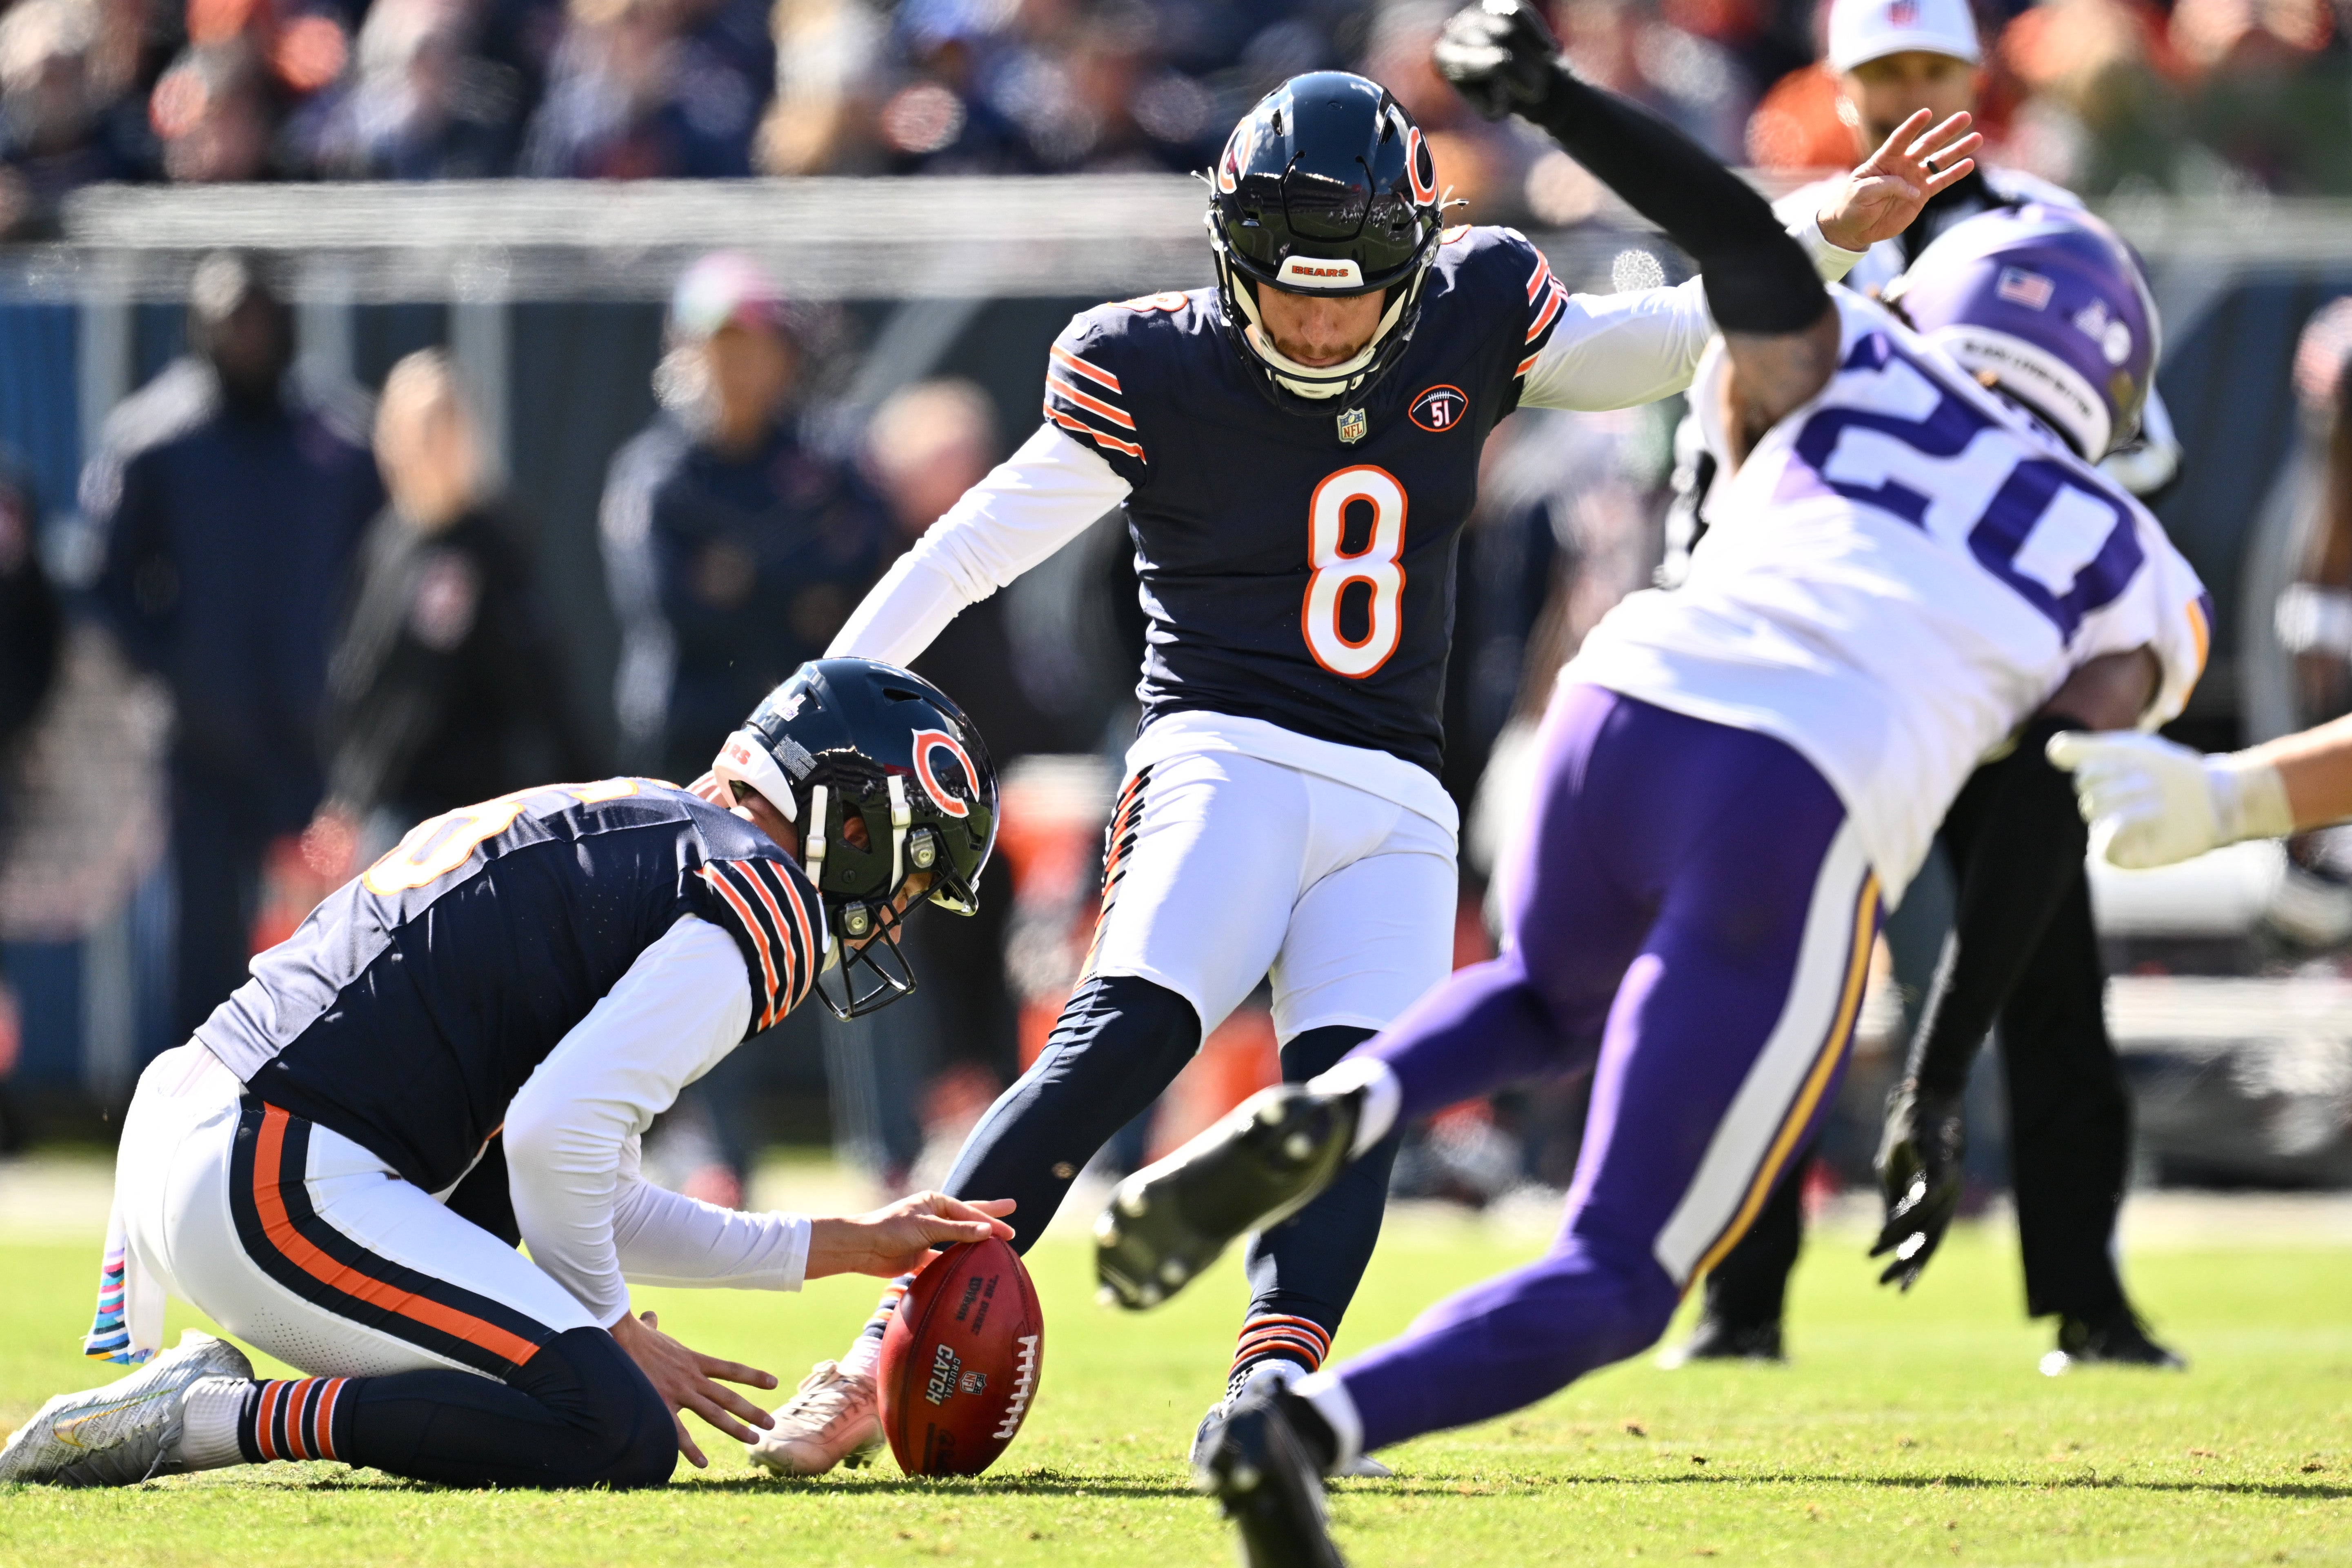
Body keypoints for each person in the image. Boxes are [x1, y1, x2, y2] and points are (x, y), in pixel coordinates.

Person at [745, 53, 1977, 1477]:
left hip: (1398, 791)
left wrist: (1822, 229)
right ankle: (867, 1358)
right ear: (1232, 260)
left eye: (1352, 285)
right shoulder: (1149, 364)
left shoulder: (1476, 309)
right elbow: (966, 548)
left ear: (1411, 259)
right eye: (1293, 285)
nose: (1323, 319)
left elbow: (1657, 336)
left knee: (1351, 1107)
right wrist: (807, 711)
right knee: (1126, 1037)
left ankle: (1271, 1386)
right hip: (1221, 750)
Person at [1090, 6, 2210, 1562]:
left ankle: (1339, 1101)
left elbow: (1734, 239)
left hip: (1616, 704)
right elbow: (2071, 755)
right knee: (1624, 1270)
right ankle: (1306, 1425)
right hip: (1792, 793)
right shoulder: (2130, 559)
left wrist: (1550, 96)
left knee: (1552, 995)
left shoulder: (1864, 346)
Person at [0, 658, 1015, 1491]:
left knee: (558, 1336)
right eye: (911, 870)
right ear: (849, 821)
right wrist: (610, 1329)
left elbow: (584, 1184)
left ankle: (212, 1404)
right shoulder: (761, 893)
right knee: (613, 1425)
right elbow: (550, 1137)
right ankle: (209, 1417)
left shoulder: (652, 828)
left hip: (223, 1130)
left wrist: (842, 1245)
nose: (894, 908)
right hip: (275, 1173)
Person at [1661, 0, 2187, 1373]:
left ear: (1973, 76)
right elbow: (1706, 439)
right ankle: (1742, 1297)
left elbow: (2141, 450)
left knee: (2047, 977)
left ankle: (2085, 1293)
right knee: (1766, 964)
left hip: (2000, 676)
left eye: (1928, 69)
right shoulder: (1802, 236)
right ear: (1837, 87)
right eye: (1880, 71)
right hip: (1830, 661)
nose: (1905, 92)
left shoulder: (2056, 239)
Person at [87, 251, 384, 1042]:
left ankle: (323, 1126)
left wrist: (344, 680)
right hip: (203, 747)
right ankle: (193, 1130)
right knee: (200, 946)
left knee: (327, 942)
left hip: (311, 749)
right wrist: (175, 675)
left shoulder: (340, 447)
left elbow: (385, 578)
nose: (246, 335)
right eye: (230, 320)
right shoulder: (157, 441)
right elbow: (111, 584)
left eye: (260, 316)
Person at [602, 251, 894, 789]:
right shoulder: (658, 475)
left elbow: (862, 567)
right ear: (684, 355)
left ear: (783, 357)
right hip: (688, 737)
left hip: (806, 737)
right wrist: (798, 584)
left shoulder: (825, 460)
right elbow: (670, 605)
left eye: (751, 349)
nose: (734, 368)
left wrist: (743, 574)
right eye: (719, 349)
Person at [313, 349, 593, 864]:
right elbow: (365, 676)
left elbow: (539, 677)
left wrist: (586, 784)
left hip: (481, 810)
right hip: (393, 809)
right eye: (419, 428)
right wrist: (349, 794)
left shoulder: (492, 542)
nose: (434, 444)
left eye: (447, 424)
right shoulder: (387, 541)